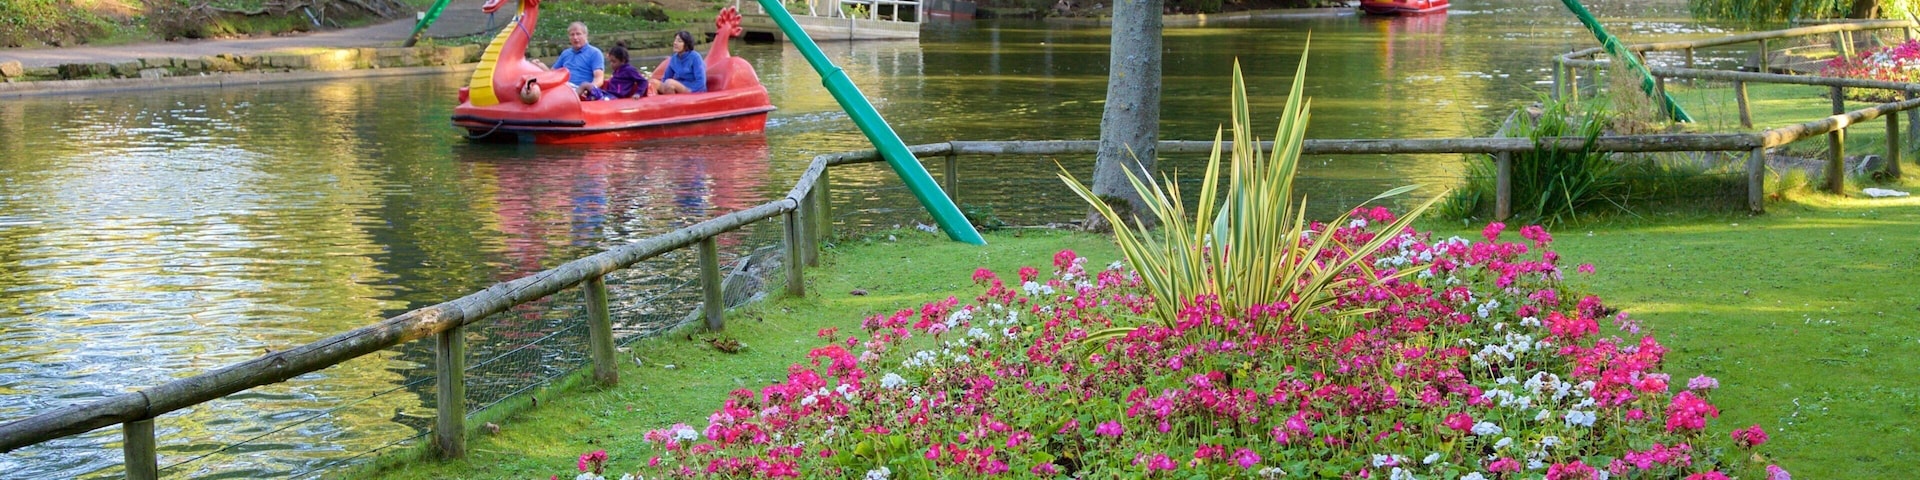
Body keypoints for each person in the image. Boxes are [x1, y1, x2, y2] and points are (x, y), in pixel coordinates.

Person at [544, 22, 605, 92]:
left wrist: (587, 91)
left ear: (586, 35)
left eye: (578, 34)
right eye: (572, 35)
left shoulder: (595, 53)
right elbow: (552, 74)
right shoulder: (565, 53)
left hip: (581, 91)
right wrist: (541, 67)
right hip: (564, 89)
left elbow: (599, 79)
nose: (575, 38)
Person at [581, 41, 647, 101]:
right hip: (607, 94)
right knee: (586, 86)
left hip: (615, 97)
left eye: (614, 62)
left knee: (585, 85)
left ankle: (577, 101)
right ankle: (579, 100)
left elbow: (643, 81)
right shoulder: (617, 71)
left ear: (623, 61)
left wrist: (638, 93)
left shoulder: (629, 70)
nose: (611, 64)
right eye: (610, 61)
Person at [653, 30, 706, 95]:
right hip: (678, 87)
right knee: (653, 83)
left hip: (693, 89)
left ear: (686, 44)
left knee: (669, 83)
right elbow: (666, 78)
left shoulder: (695, 57)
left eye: (679, 41)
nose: (675, 43)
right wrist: (661, 88)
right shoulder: (674, 58)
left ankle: (672, 100)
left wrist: (693, 92)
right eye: (675, 40)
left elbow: (701, 81)